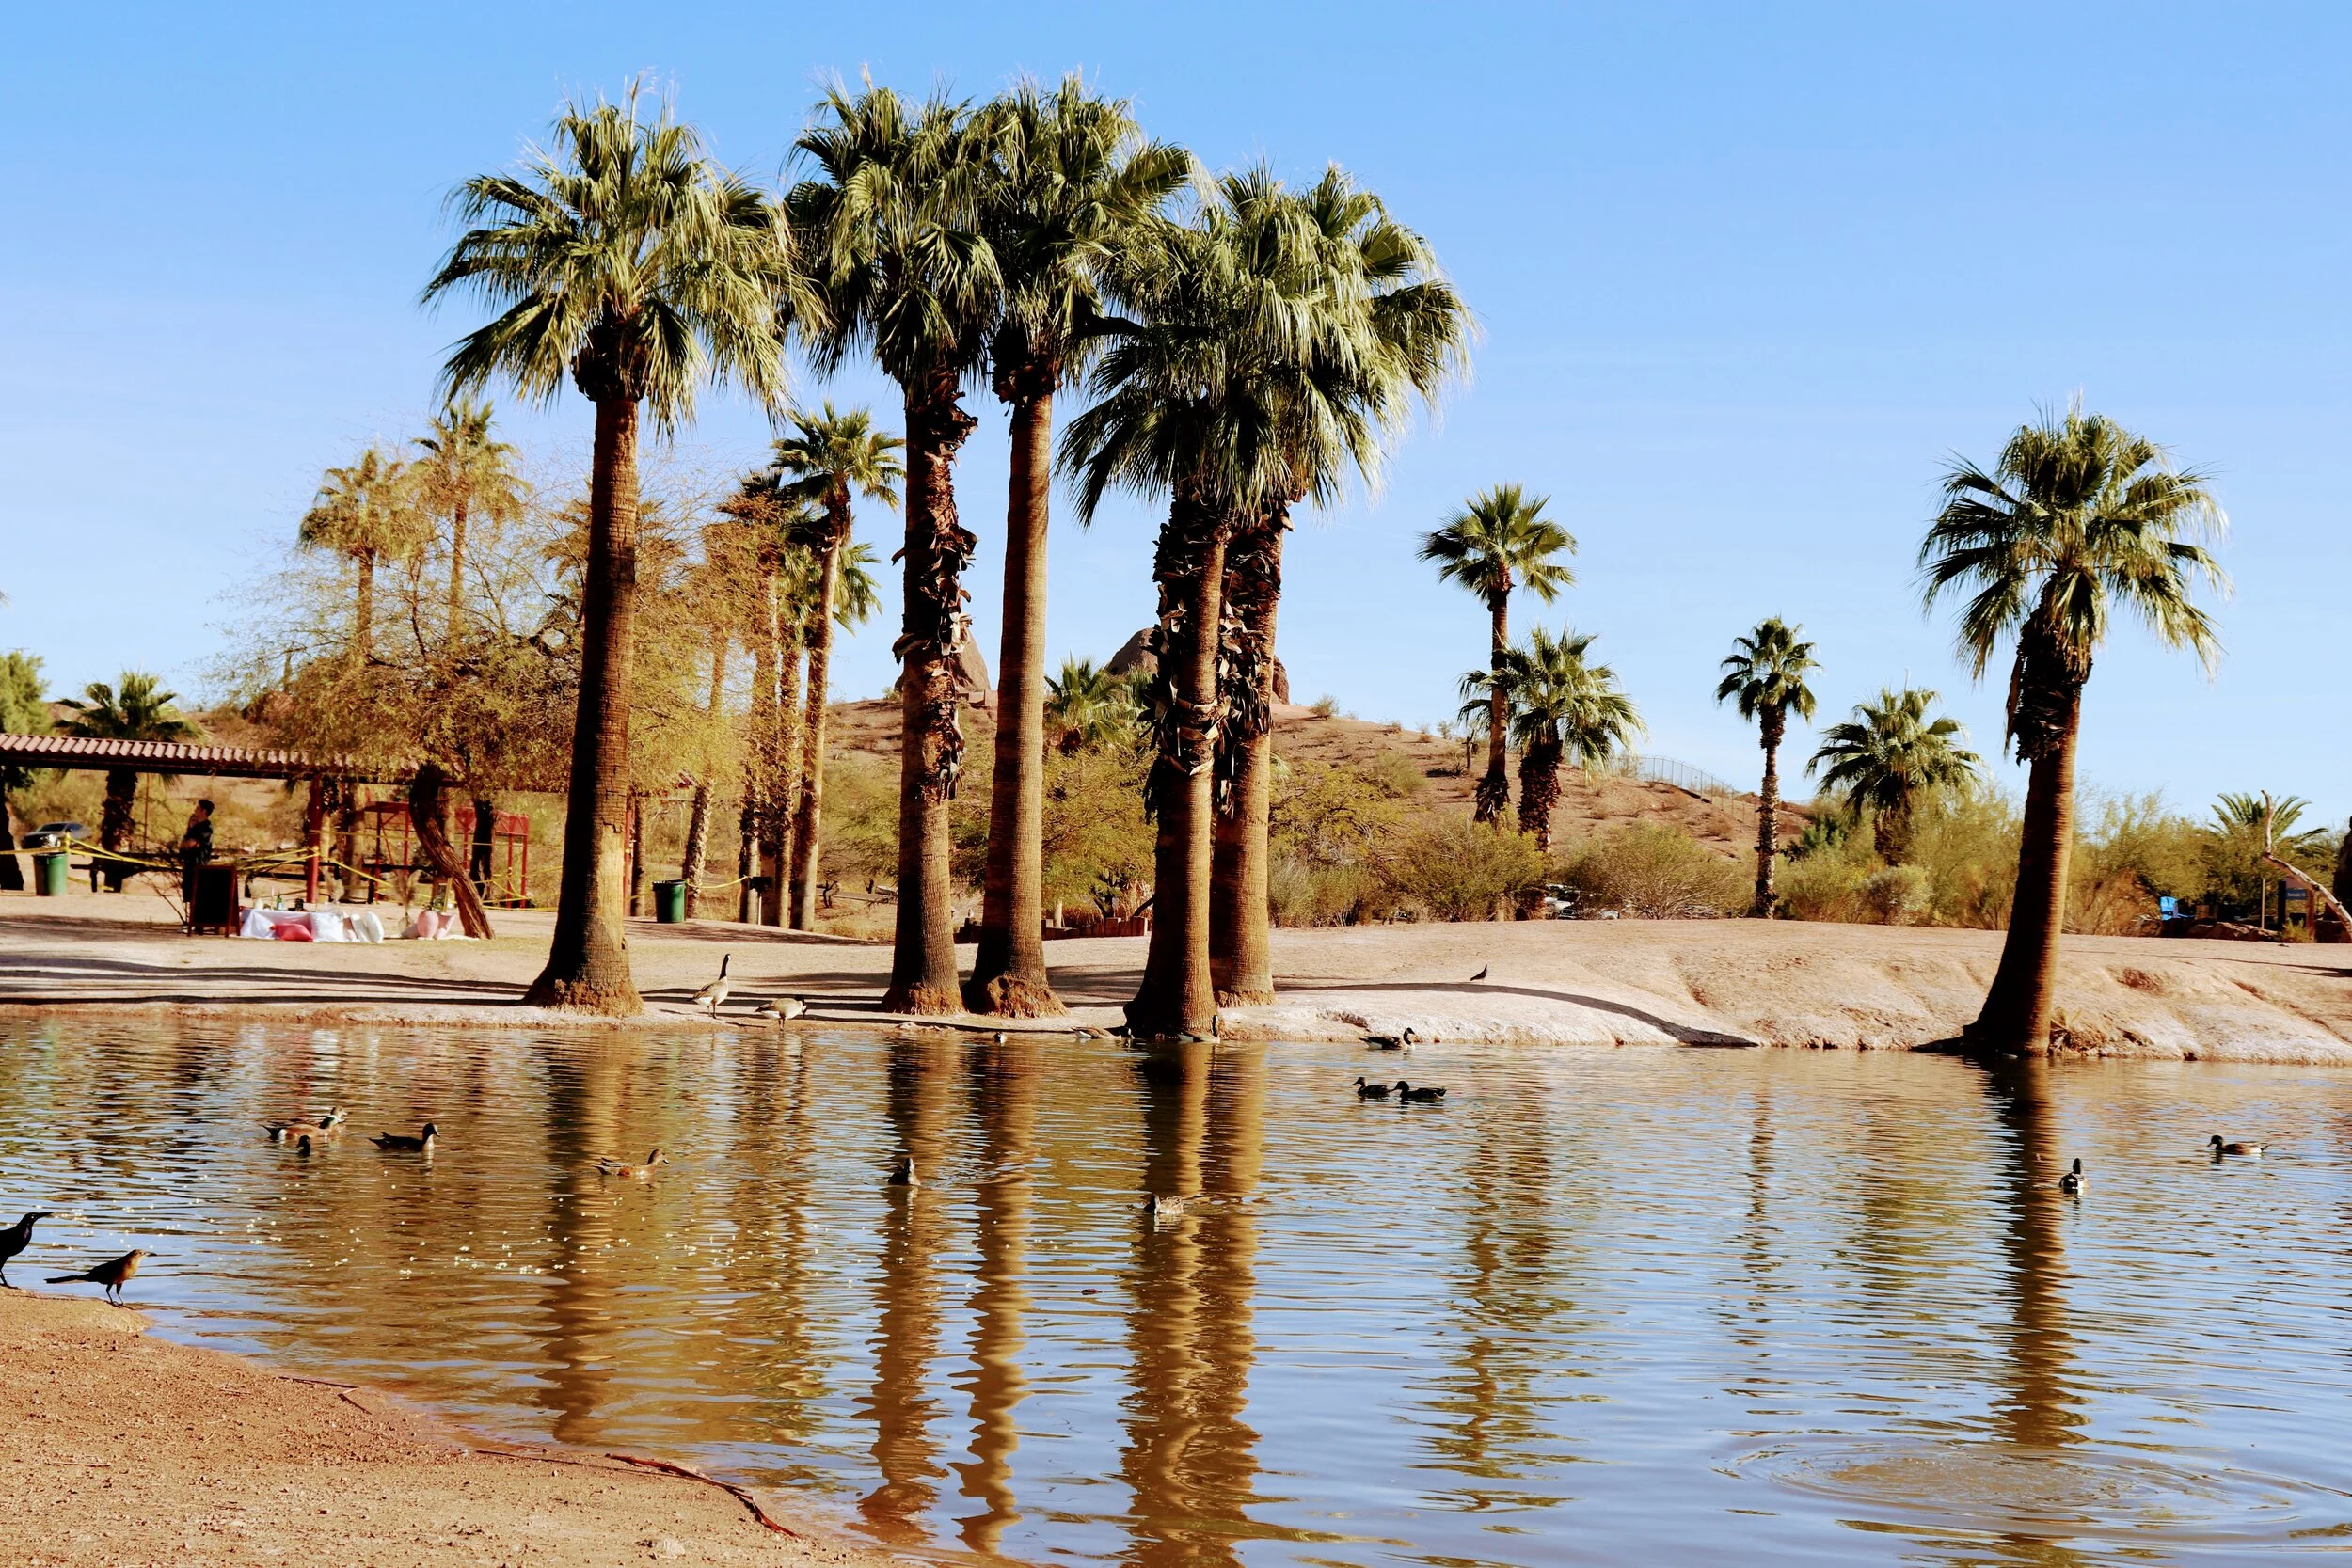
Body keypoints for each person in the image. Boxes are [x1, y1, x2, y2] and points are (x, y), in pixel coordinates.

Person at [180, 799, 214, 905]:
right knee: (189, 894)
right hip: (189, 864)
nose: (195, 810)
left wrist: (188, 843)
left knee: (198, 893)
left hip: (199, 864)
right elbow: (183, 844)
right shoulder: (194, 828)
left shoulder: (206, 827)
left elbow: (191, 843)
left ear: (204, 811)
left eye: (198, 808)